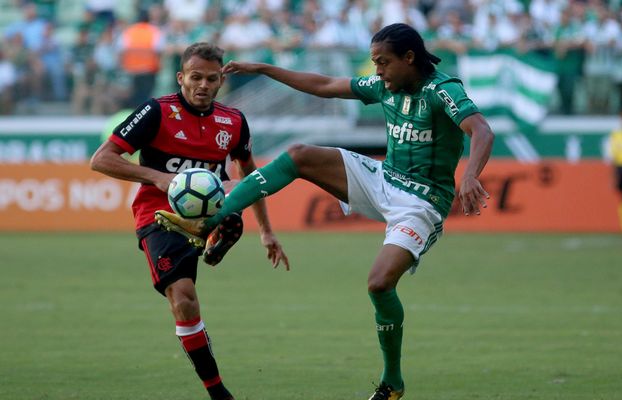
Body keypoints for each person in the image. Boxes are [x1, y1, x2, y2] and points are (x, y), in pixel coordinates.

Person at [156, 23, 494, 400]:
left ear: (409, 58)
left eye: (383, 63)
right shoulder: (384, 86)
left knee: (379, 284)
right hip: (384, 179)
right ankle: (207, 221)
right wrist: (266, 69)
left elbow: (481, 131)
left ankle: (392, 383)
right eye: (374, 63)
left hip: (422, 203)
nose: (377, 71)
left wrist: (470, 176)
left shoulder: (442, 90)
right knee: (300, 154)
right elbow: (322, 85)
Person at [90, 42, 289, 400]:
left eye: (212, 79)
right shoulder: (157, 111)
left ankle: (215, 235)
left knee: (231, 196)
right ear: (181, 77)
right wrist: (158, 178)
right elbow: (101, 159)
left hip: (209, 208)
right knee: (183, 300)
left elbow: (250, 174)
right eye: (195, 77)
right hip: (159, 214)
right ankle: (217, 392)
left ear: (220, 81)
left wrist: (267, 231)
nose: (203, 85)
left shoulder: (233, 121)